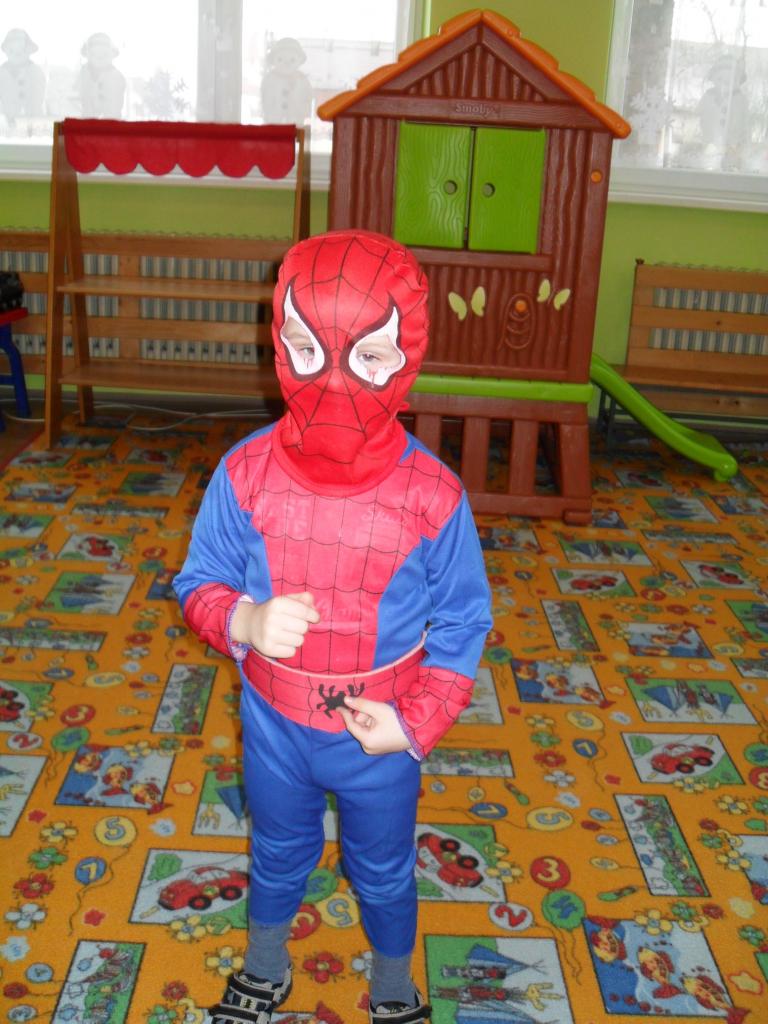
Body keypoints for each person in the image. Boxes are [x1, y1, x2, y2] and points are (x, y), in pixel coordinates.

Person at [173, 229, 492, 1024]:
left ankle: (393, 983)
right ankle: (265, 965)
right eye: (307, 351)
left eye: (370, 356)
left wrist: (415, 724)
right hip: (272, 722)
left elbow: (464, 620)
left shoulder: (433, 495)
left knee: (384, 866)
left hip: (380, 733)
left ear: (406, 356)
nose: (336, 382)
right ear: (279, 342)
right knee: (277, 850)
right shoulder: (244, 472)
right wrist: (243, 617)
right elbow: (197, 580)